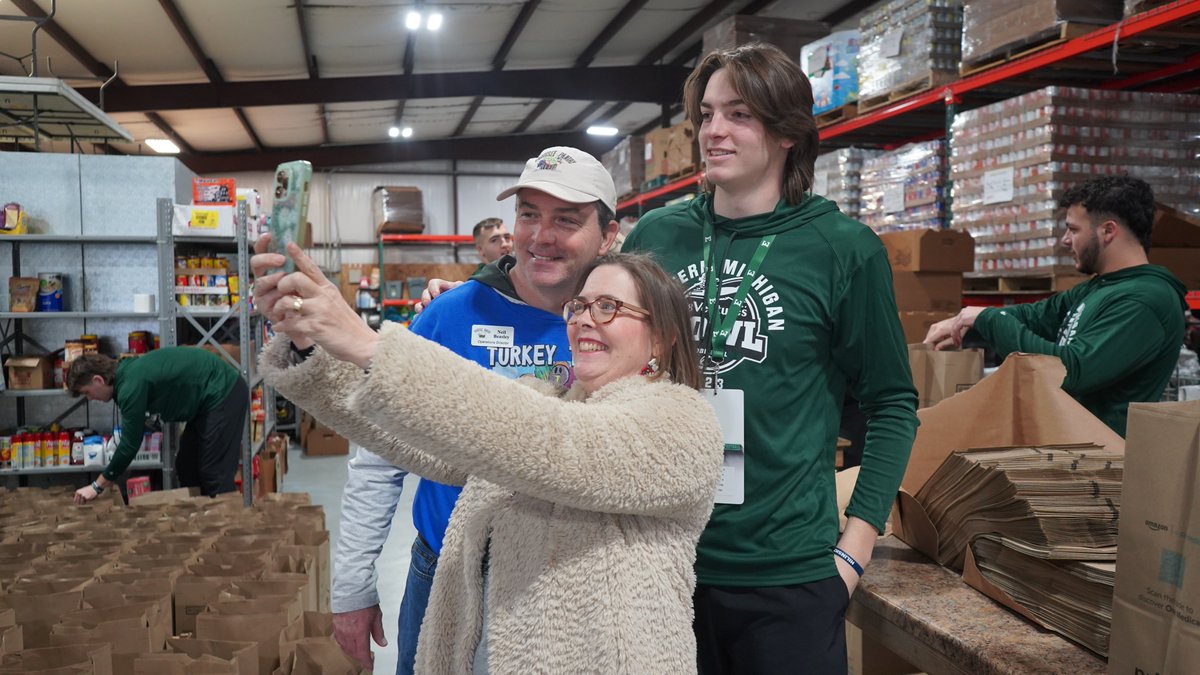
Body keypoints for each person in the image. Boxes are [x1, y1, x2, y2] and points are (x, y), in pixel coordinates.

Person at [255, 245, 724, 673]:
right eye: (578, 306)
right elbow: (418, 436)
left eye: (609, 307)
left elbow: (555, 444)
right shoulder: (548, 397)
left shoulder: (684, 425)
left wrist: (372, 346)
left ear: (661, 338)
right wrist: (311, 345)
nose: (584, 319)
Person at [620, 42, 920, 673]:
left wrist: (854, 551)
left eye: (739, 115)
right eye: (706, 115)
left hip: (787, 577)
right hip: (661, 564)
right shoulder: (657, 237)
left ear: (787, 132)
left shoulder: (842, 250)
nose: (713, 132)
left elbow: (892, 403)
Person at [326, 147, 622, 673]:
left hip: (567, 582)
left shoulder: (623, 327)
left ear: (609, 235)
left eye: (567, 220)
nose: (541, 235)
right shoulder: (450, 313)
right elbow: (378, 457)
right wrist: (352, 585)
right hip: (446, 574)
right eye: (529, 213)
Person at [925, 176, 1187, 436]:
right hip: (1071, 450)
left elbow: (1071, 371)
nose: (1064, 240)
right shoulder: (1099, 286)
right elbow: (1038, 316)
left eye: (1073, 230)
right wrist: (965, 320)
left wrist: (989, 319)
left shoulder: (1144, 301)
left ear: (1108, 231)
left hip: (1103, 463)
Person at [67, 348, 248, 502]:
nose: (90, 399)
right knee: (186, 466)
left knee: (215, 472)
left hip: (223, 391)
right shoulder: (125, 374)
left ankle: (227, 532)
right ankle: (201, 524)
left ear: (98, 380)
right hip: (205, 402)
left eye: (87, 393)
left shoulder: (129, 386)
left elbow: (130, 445)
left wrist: (96, 486)